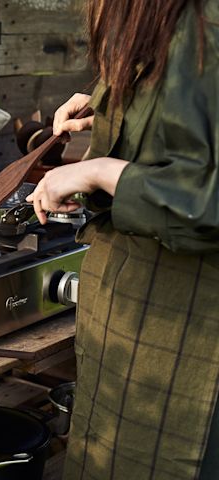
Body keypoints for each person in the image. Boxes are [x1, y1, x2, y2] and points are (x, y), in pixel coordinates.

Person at [25, 1, 219, 479]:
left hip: (183, 333)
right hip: (127, 324)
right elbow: (181, 127)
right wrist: (111, 109)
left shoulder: (207, 24)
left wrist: (97, 170)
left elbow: (206, 199)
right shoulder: (161, 18)